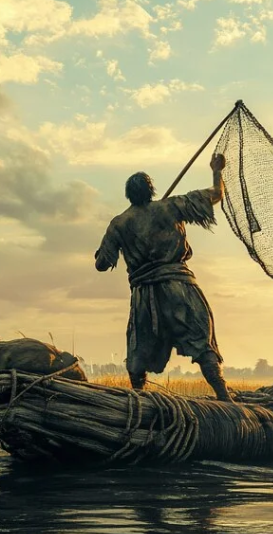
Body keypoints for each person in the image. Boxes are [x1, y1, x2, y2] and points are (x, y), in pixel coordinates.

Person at [94, 153, 233, 402]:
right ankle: (224, 395)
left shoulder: (119, 224)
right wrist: (216, 170)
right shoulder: (170, 207)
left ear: (129, 196)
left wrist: (104, 251)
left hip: (145, 296)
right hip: (179, 289)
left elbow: (101, 265)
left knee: (139, 349)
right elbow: (216, 193)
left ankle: (138, 398)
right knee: (203, 341)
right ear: (151, 191)